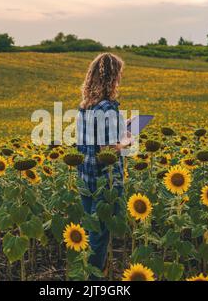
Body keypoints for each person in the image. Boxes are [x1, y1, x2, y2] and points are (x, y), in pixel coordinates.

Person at [76, 53, 132, 278]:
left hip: (85, 177)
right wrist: (128, 138)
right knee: (99, 235)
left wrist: (121, 125)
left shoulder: (86, 106)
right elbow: (107, 150)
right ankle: (92, 279)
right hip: (104, 180)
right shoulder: (107, 108)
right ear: (113, 77)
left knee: (90, 230)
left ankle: (85, 272)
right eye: (119, 75)